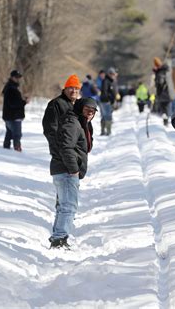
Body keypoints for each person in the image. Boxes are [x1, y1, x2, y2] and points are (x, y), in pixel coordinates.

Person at [48, 96, 97, 249]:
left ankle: (58, 238)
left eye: (93, 111)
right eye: (87, 110)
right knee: (68, 206)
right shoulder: (72, 123)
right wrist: (74, 169)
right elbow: (65, 147)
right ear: (79, 108)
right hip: (66, 171)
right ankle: (59, 240)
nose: (90, 113)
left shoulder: (80, 123)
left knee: (64, 206)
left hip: (65, 170)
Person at [2, 70, 30, 151]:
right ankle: (17, 150)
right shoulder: (11, 88)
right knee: (17, 134)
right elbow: (13, 103)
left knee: (9, 133)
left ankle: (5, 150)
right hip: (13, 116)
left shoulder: (11, 87)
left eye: (19, 78)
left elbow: (14, 101)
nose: (18, 79)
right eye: (16, 77)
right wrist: (24, 102)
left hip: (10, 116)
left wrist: (22, 101)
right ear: (12, 77)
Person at [153, 57, 172, 126]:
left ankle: (166, 122)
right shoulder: (164, 71)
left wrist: (156, 75)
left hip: (163, 94)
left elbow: (160, 83)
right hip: (167, 93)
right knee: (165, 109)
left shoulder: (160, 73)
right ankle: (166, 121)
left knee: (164, 109)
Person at [99, 67, 118, 135]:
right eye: (112, 74)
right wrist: (109, 99)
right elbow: (104, 92)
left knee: (105, 116)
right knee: (108, 116)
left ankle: (103, 131)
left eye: (114, 74)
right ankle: (108, 132)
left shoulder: (111, 80)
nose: (113, 75)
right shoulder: (106, 81)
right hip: (105, 101)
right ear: (109, 74)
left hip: (108, 101)